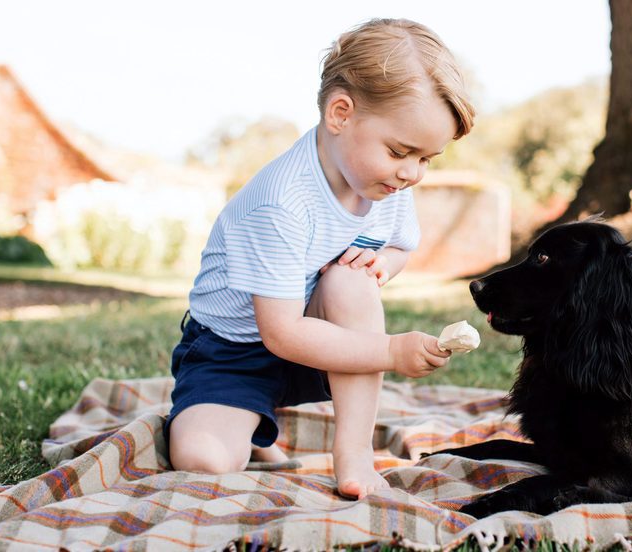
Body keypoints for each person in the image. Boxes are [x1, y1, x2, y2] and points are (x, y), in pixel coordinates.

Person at [165, 18, 476, 500]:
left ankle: (353, 453)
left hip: (320, 338)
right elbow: (281, 332)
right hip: (235, 350)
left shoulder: (385, 182)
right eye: (401, 151)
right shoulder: (281, 202)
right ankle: (246, 422)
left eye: (426, 159)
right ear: (340, 113)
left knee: (352, 283)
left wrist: (380, 267)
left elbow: (399, 246)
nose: (412, 173)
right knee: (204, 461)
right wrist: (392, 352)